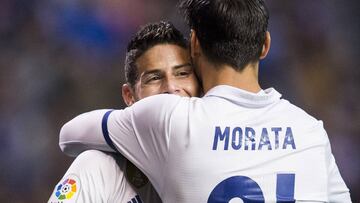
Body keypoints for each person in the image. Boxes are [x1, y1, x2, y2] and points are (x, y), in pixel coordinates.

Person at [59, 0, 352, 202]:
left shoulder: (170, 119)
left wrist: (135, 123)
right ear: (265, 45)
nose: (172, 88)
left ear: (195, 44)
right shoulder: (311, 132)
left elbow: (69, 135)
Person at [48, 21, 200, 203]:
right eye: (154, 78)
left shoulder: (225, 154)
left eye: (182, 73)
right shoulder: (99, 168)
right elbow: (66, 137)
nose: (171, 87)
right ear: (130, 96)